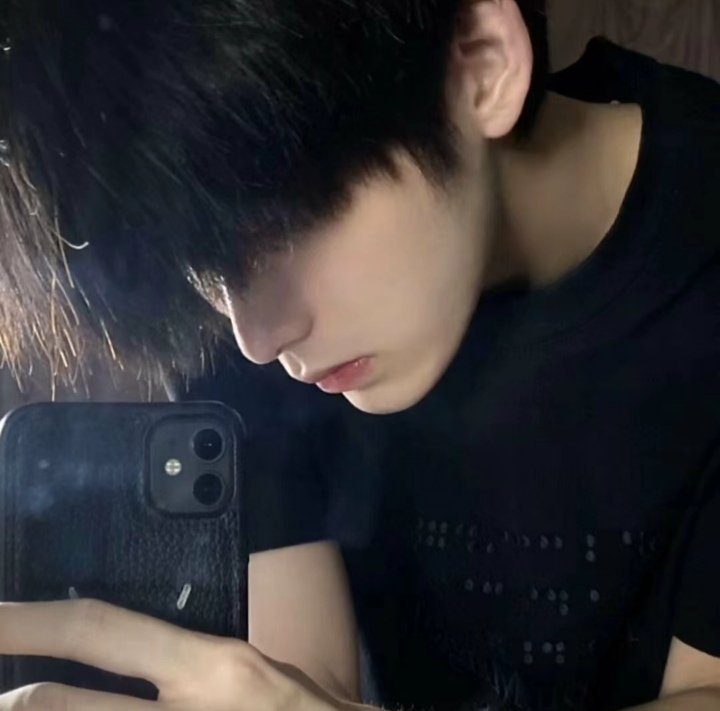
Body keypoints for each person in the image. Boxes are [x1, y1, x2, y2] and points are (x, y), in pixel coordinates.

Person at [0, 0, 719, 709]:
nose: (257, 339)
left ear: (482, 64)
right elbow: (302, 679)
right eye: (205, 272)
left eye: (282, 228)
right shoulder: (232, 275)